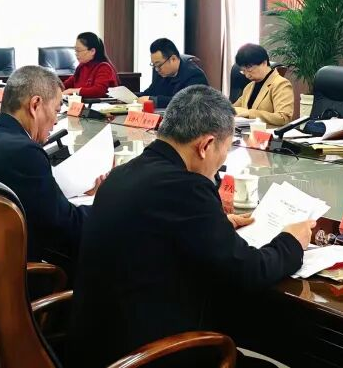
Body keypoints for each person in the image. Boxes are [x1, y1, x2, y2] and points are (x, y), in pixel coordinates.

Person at [68, 85, 314, 368]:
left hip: (96, 349)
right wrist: (291, 242)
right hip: (149, 356)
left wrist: (214, 225)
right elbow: (248, 271)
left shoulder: (123, 174)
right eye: (225, 150)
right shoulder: (186, 187)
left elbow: (159, 232)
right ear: (206, 145)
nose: (221, 163)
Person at [0, 66, 98, 265]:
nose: (55, 121)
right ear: (35, 105)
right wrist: (106, 201)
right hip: (14, 272)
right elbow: (68, 228)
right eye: (57, 110)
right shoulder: (25, 152)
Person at [138, 38, 209, 109]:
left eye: (159, 65)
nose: (157, 69)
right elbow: (150, 92)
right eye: (154, 65)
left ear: (173, 59)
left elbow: (186, 102)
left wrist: (154, 101)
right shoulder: (162, 73)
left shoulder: (194, 75)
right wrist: (134, 97)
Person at [233, 44, 294, 126]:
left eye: (249, 69)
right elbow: (233, 108)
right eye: (243, 71)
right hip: (248, 131)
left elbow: (284, 118)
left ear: (264, 63)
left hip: (269, 132)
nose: (247, 75)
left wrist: (249, 113)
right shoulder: (249, 87)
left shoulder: (281, 84)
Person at [62, 31, 119, 99]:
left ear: (92, 51)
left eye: (79, 50)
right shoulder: (82, 66)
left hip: (101, 105)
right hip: (83, 104)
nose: (76, 54)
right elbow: (66, 85)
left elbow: (99, 91)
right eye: (75, 50)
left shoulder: (104, 67)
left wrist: (73, 91)